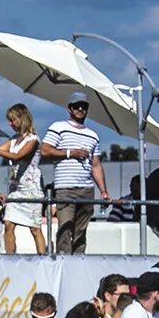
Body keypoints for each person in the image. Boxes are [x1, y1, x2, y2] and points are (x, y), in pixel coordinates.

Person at [39, 92, 110, 254]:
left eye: (83, 106)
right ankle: (64, 261)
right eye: (76, 106)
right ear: (69, 108)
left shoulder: (93, 135)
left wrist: (103, 191)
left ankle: (79, 261)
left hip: (86, 189)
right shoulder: (58, 127)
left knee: (81, 232)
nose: (80, 109)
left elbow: (96, 165)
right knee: (65, 228)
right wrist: (70, 153)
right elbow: (45, 150)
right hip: (65, 187)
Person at [0, 103, 44, 254]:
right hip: (16, 189)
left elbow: (18, 156)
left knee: (35, 228)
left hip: (31, 189)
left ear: (22, 119)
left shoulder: (33, 139)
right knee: (8, 224)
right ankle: (10, 257)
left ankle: (42, 258)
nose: (10, 123)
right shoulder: (14, 140)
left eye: (13, 120)